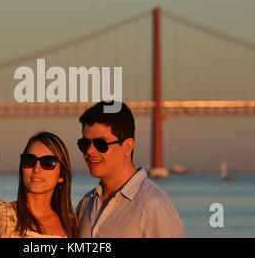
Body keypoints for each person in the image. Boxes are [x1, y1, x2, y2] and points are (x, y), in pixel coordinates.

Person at [75, 101, 184, 238]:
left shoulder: (155, 208)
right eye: (84, 144)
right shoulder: (86, 204)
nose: (90, 151)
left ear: (127, 147)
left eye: (100, 144)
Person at [0, 131, 78, 238]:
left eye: (47, 163)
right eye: (29, 161)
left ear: (61, 176)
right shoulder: (6, 217)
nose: (36, 169)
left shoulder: (72, 223)